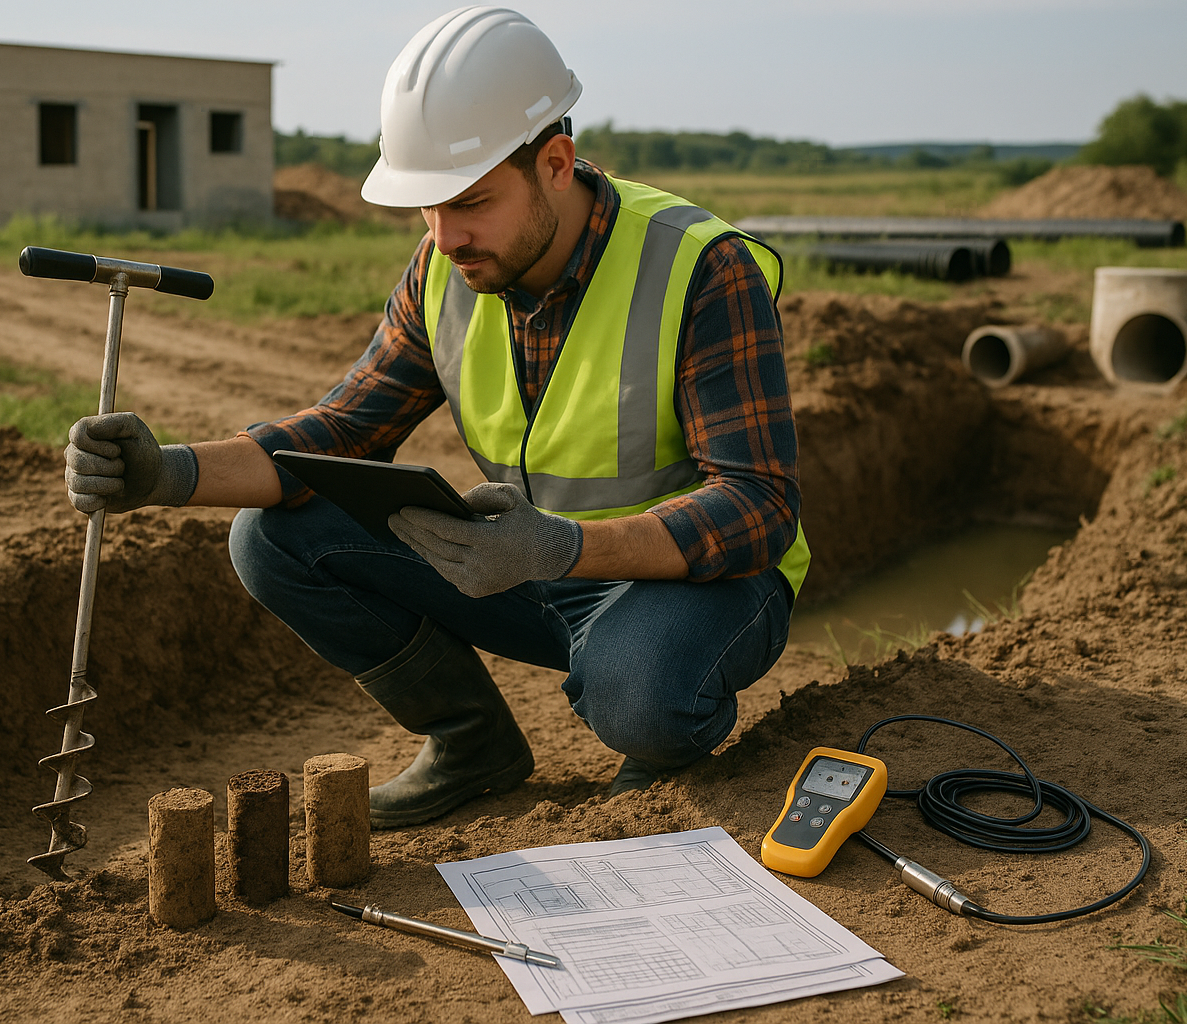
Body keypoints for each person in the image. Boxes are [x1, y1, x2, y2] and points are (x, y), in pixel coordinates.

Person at [63, 6, 809, 828]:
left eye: (471, 202)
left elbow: (758, 507)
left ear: (555, 163)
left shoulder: (702, 267)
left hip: (693, 586)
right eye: (427, 208)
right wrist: (168, 472)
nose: (445, 237)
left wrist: (565, 547)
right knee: (273, 536)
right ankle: (471, 742)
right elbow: (345, 431)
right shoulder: (447, 266)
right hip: (532, 567)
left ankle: (657, 742)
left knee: (638, 693)